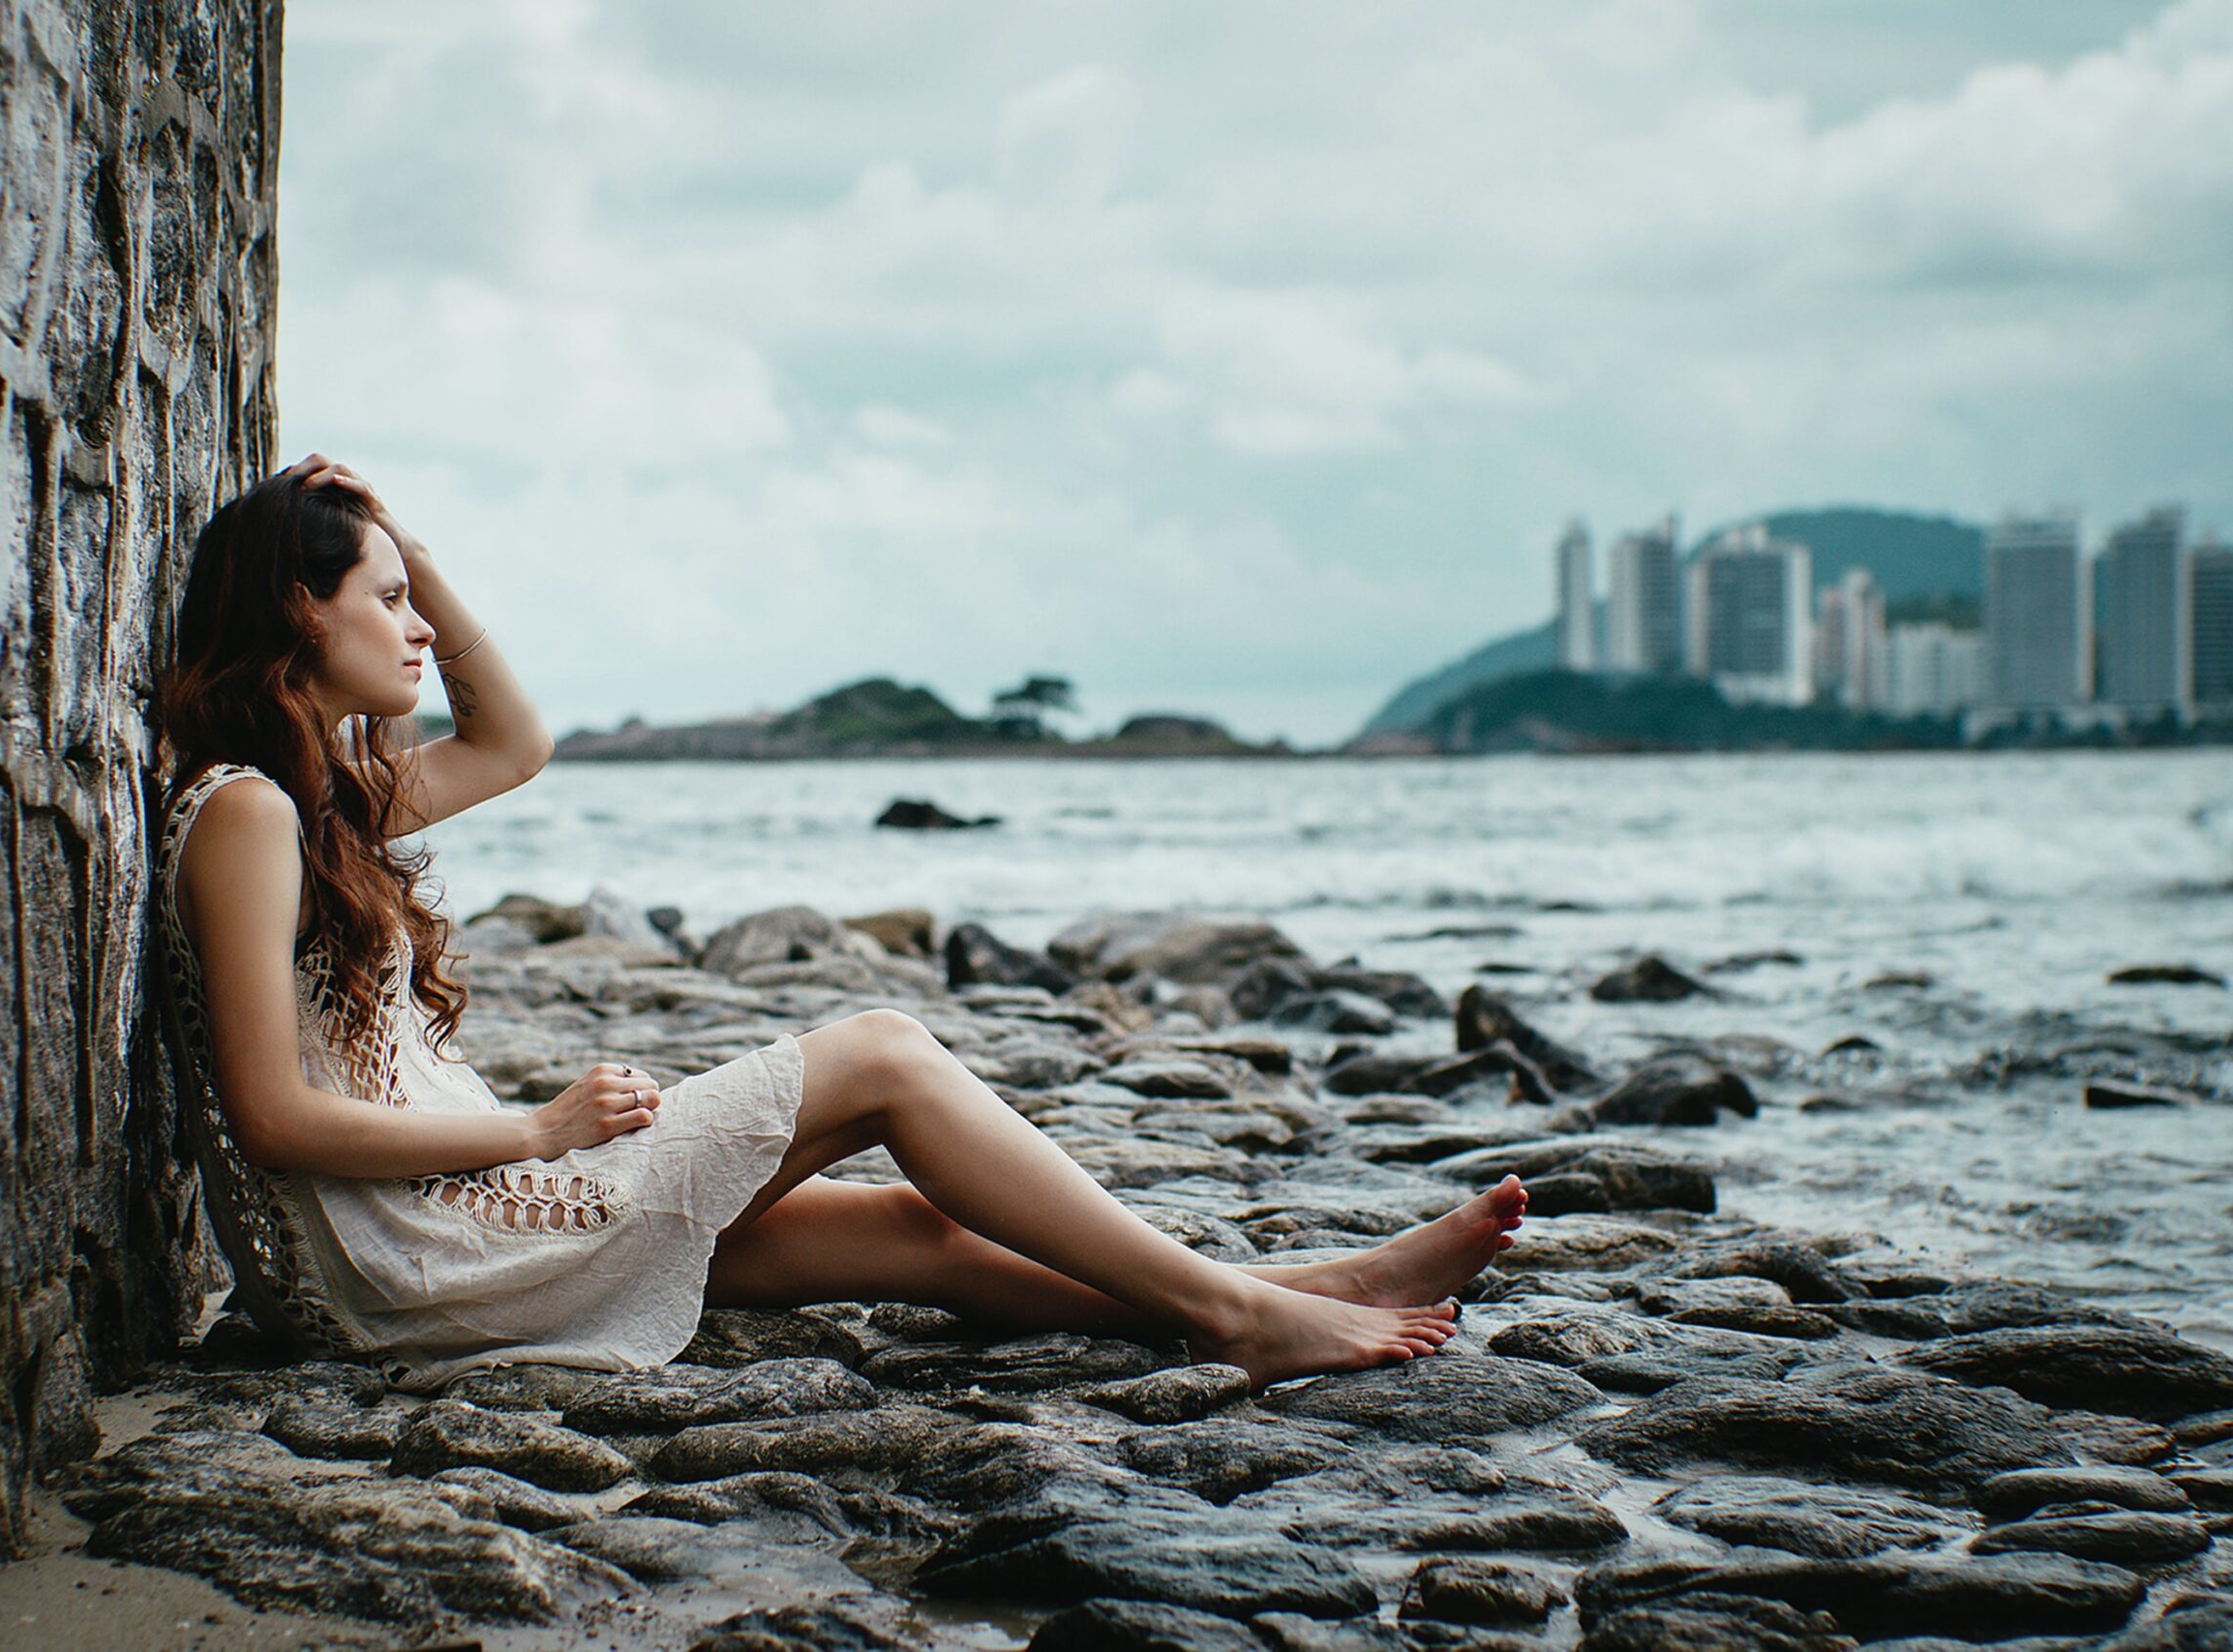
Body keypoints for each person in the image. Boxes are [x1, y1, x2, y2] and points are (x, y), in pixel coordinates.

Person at [159, 454, 1528, 1394]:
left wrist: (418, 552)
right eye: (388, 601)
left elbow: (516, 741)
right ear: (299, 607)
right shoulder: (250, 817)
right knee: (879, 1050)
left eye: (416, 603)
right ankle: (1241, 1318)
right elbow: (270, 1118)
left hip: (453, 1217)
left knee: (912, 1237)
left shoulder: (322, 802)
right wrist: (541, 1128)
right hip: (419, 1251)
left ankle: (1312, 1286)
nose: (417, 633)